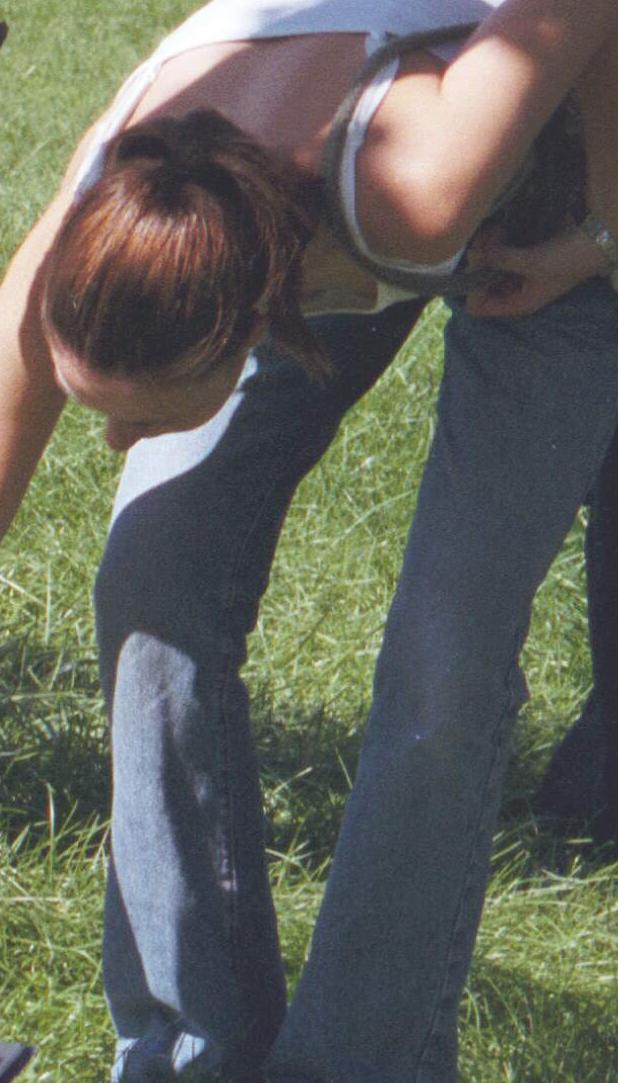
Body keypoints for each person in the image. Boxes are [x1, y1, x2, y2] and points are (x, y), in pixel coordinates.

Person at [2, 1, 618, 1080]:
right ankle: (189, 1052)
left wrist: (605, 228)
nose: (112, 441)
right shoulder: (112, 202)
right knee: (154, 567)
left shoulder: (416, 184)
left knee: (444, 666)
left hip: (557, 187)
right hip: (316, 175)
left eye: (137, 416)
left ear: (251, 327)